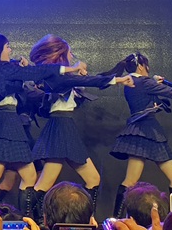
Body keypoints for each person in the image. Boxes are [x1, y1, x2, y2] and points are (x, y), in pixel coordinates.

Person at [0, 32, 133, 219]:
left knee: (17, 177)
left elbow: (32, 73)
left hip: (8, 123)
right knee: (5, 178)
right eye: (7, 47)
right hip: (10, 124)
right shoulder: (3, 69)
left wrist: (23, 65)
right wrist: (72, 69)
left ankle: (21, 219)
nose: (10, 50)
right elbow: (38, 73)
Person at [29, 34, 134, 216]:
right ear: (61, 55)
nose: (72, 56)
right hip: (61, 126)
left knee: (92, 179)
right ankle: (34, 219)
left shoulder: (58, 76)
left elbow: (87, 81)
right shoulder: (57, 77)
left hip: (63, 126)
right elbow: (89, 81)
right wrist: (119, 80)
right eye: (70, 53)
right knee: (45, 184)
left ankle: (81, 218)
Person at [104, 52, 172, 217]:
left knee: (135, 180)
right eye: (147, 65)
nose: (148, 68)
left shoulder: (131, 82)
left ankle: (116, 220)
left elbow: (152, 93)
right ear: (141, 66)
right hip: (148, 131)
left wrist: (155, 82)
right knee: (171, 178)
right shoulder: (144, 83)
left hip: (141, 131)